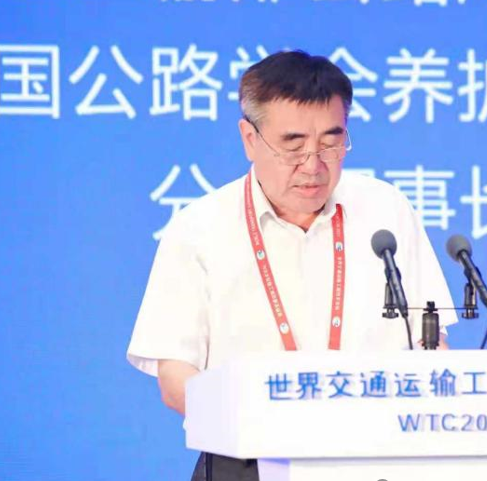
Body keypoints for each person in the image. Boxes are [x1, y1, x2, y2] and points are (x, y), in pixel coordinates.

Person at [126, 50, 458, 480]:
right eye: (293, 145)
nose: (313, 165)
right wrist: (259, 422)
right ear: (249, 139)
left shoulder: (385, 211)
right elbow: (175, 377)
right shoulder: (199, 229)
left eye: (331, 142)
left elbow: (432, 344)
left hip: (377, 460)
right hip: (248, 461)